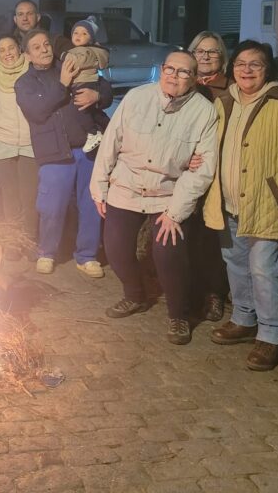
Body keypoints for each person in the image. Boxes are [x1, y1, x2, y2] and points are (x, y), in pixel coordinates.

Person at [203, 40, 278, 371]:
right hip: (227, 205)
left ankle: (271, 335)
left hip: (267, 206)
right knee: (235, 265)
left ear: (268, 70)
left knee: (264, 270)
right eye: (241, 63)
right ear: (232, 69)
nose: (247, 70)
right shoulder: (223, 103)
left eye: (255, 64)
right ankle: (243, 318)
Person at [90, 51, 219, 345]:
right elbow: (111, 142)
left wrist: (176, 212)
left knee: (168, 253)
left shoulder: (203, 112)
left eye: (183, 72)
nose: (174, 76)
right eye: (170, 69)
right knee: (116, 249)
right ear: (161, 70)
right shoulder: (137, 98)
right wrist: (99, 188)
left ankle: (178, 315)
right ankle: (135, 296)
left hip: (168, 193)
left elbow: (202, 170)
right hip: (127, 187)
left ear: (194, 79)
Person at [15, 29, 113, 278]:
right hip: (54, 153)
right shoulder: (25, 83)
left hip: (87, 148)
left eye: (47, 44)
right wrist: (62, 85)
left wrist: (98, 95)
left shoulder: (71, 65)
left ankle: (87, 256)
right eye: (36, 47)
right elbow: (36, 111)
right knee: (51, 207)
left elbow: (103, 86)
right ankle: (47, 252)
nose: (44, 49)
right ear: (27, 55)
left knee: (90, 204)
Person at [186, 30, 233, 321]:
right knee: (188, 238)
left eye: (212, 52)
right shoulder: (181, 84)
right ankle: (189, 292)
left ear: (222, 57)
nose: (204, 56)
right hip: (185, 175)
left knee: (212, 240)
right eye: (199, 51)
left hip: (217, 175)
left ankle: (213, 293)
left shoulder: (230, 90)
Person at [0, 36, 38, 246]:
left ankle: (29, 241)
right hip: (4, 141)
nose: (7, 53)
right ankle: (12, 242)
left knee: (29, 198)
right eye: (2, 50)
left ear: (19, 49)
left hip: (29, 143)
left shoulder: (32, 70)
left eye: (11, 48)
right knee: (10, 199)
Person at [65, 17, 111, 152]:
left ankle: (93, 133)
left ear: (91, 39)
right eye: (76, 33)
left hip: (84, 83)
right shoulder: (87, 50)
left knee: (79, 108)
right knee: (91, 111)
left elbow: (79, 61)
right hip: (88, 82)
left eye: (84, 33)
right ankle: (109, 126)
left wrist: (64, 57)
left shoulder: (85, 51)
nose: (79, 36)